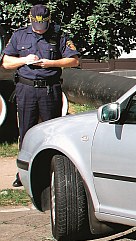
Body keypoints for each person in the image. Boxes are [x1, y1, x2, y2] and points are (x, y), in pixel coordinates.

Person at [0, 4, 79, 187]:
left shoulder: (58, 35)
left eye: (43, 25)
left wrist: (51, 63)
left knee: (52, 132)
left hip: (49, 90)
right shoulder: (20, 34)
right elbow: (5, 62)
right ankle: (23, 173)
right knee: (26, 131)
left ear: (48, 21)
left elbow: (74, 60)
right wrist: (24, 60)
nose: (40, 28)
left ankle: (51, 173)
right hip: (26, 90)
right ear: (31, 20)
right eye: (37, 25)